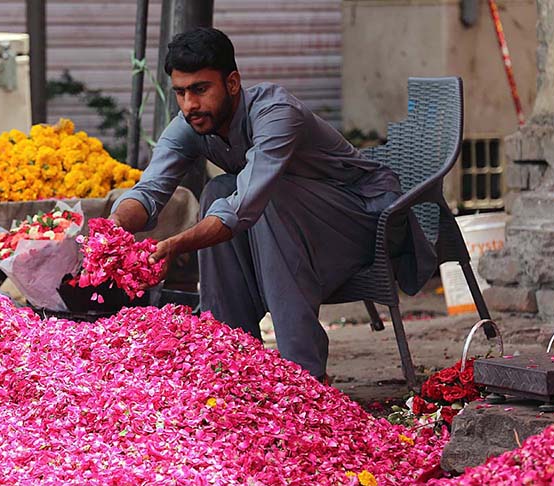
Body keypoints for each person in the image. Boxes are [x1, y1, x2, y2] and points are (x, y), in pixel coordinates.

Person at [110, 27, 435, 382]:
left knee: (265, 198)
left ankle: (305, 377)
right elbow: (149, 190)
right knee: (218, 191)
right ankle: (233, 360)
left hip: (366, 220)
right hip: (291, 224)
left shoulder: (276, 113)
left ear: (232, 83)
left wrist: (176, 244)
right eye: (181, 93)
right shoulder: (189, 125)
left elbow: (247, 204)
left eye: (201, 90)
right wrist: (110, 233)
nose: (190, 105)